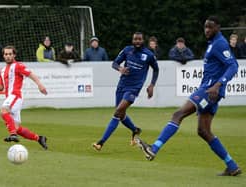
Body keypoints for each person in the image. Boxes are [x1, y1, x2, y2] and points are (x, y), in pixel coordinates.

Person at [135, 16, 241, 176]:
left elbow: (233, 65)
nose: (207, 30)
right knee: (203, 131)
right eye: (205, 27)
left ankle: (154, 148)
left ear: (218, 27)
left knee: (178, 114)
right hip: (211, 91)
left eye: (210, 27)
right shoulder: (213, 43)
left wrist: (218, 85)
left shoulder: (220, 43)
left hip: (208, 90)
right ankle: (232, 165)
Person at [92, 32, 159, 151]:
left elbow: (156, 69)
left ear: (143, 40)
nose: (137, 41)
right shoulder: (127, 50)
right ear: (132, 40)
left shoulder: (148, 55)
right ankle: (135, 130)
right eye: (135, 39)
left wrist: (152, 85)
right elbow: (114, 63)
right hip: (121, 85)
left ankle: (101, 142)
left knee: (117, 112)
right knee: (121, 115)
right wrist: (120, 68)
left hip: (134, 88)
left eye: (139, 39)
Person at [0, 45, 48, 149]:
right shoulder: (2, 70)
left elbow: (31, 74)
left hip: (15, 96)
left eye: (10, 54)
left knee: (3, 111)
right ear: (3, 55)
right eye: (6, 54)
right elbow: (2, 88)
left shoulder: (18, 66)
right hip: (9, 98)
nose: (7, 56)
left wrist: (40, 84)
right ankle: (39, 138)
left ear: (14, 55)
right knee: (16, 127)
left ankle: (13, 135)